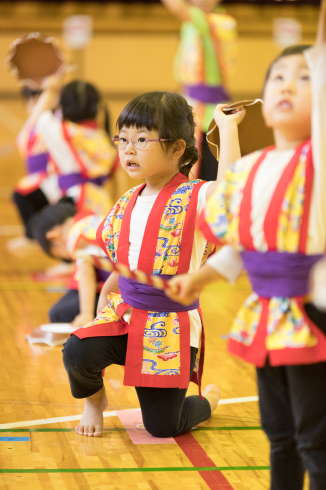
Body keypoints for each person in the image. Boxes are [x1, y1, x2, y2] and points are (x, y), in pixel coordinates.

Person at [167, 2, 326, 488]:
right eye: (277, 76)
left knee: (315, 441)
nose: (285, 85)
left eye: (303, 77)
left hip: (313, 320)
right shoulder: (256, 170)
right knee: (278, 435)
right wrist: (201, 276)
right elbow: (241, 238)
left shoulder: (318, 160)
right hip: (268, 318)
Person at [62, 91, 245, 438]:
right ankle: (94, 401)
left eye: (142, 140)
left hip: (169, 328)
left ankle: (206, 403)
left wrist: (227, 127)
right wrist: (100, 310)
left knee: (162, 427)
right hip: (127, 314)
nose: (128, 149)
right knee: (76, 350)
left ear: (177, 149)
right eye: (123, 139)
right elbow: (123, 268)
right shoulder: (128, 199)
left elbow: (232, 192)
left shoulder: (197, 195)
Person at [160, 0, 237, 180]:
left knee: (210, 178)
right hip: (190, 105)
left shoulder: (220, 22)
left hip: (212, 114)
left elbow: (177, 7)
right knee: (182, 175)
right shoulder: (193, 22)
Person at [32, 75, 117, 217]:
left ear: (63, 105)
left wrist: (51, 89)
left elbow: (37, 120)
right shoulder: (101, 138)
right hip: (101, 202)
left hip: (73, 202)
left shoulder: (62, 131)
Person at [32, 201, 112, 328]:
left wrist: (86, 314)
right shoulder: (89, 219)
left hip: (127, 289)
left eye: (60, 256)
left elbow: (86, 271)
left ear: (53, 237)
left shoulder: (76, 237)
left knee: (59, 314)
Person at [7, 86, 62, 252]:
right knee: (23, 195)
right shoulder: (32, 129)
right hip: (44, 182)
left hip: (58, 183)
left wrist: (52, 86)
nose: (35, 103)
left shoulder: (56, 124)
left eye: (38, 98)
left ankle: (33, 237)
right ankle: (33, 235)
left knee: (24, 196)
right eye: (31, 100)